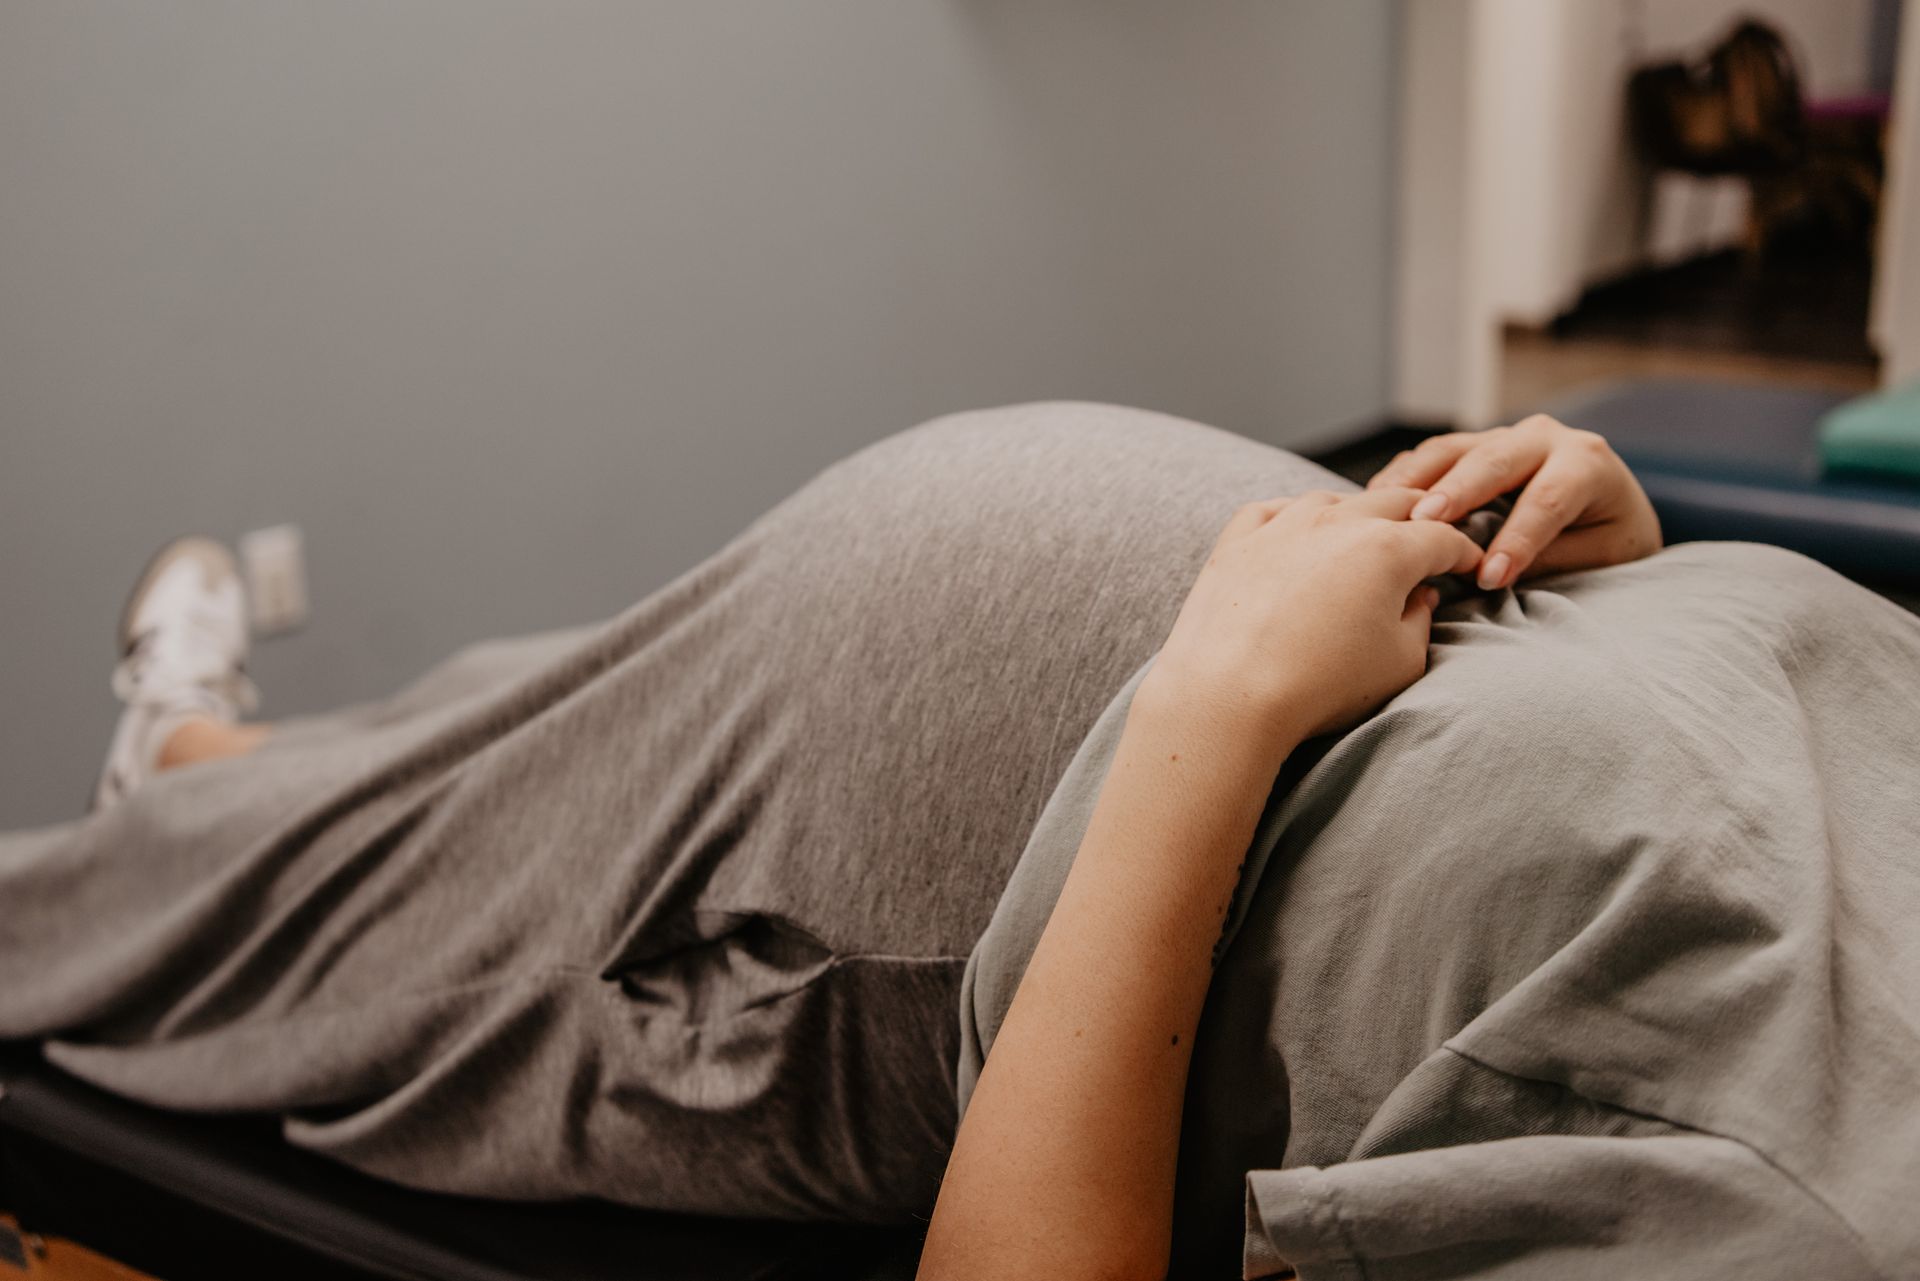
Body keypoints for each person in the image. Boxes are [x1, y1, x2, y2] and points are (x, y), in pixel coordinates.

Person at [4, 403, 1915, 1279]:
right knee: (495, 722)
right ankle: (196, 750)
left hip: (863, 890)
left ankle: (153, 806)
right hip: (1254, 582)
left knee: (234, 926)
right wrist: (1636, 571)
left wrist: (1213, 709)